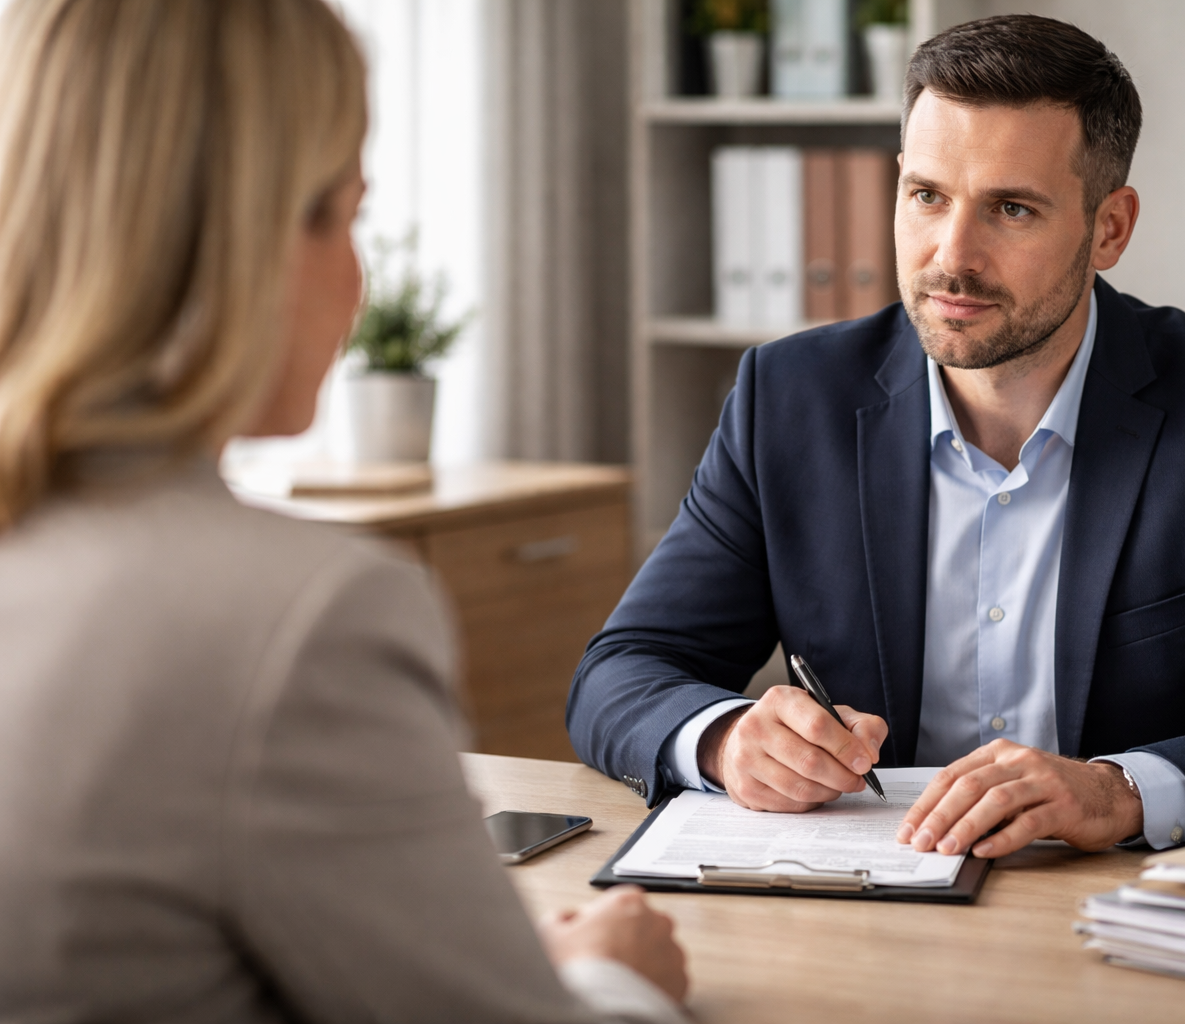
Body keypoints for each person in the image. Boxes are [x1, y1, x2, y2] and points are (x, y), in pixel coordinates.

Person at [568, 14, 1185, 859]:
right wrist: (724, 738)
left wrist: (1122, 792)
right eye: (926, 195)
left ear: (1109, 227)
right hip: (863, 899)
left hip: (1127, 911)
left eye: (1012, 209)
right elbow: (625, 671)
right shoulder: (788, 396)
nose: (952, 255)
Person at [0, 1, 687, 1021]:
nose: (358, 284)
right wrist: (614, 979)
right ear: (243, 230)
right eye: (344, 213)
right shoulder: (298, 615)